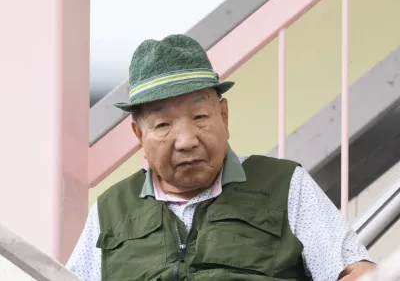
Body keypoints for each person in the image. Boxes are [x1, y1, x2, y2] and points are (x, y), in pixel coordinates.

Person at [66, 34, 375, 281]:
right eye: (162, 125)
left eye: (200, 116)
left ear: (224, 116)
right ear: (139, 137)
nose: (186, 141)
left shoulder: (285, 185)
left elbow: (358, 272)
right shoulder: (109, 210)